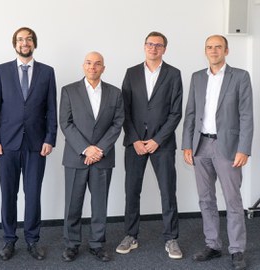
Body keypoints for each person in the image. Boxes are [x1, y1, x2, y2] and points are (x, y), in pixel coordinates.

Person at [182, 35, 253, 270]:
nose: (213, 51)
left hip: (229, 148)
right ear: (205, 51)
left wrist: (244, 148)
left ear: (227, 50)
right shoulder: (197, 77)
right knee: (206, 199)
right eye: (209, 47)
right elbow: (190, 113)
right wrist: (187, 145)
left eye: (218, 47)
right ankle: (213, 244)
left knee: (233, 200)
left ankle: (237, 250)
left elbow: (246, 115)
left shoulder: (240, 76)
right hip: (201, 146)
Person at [0, 27, 57, 261]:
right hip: (6, 145)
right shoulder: (2, 70)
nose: (24, 43)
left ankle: (32, 240)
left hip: (37, 145)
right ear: (14, 44)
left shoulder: (47, 72)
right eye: (20, 39)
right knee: (9, 193)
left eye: (28, 39)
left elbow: (51, 109)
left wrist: (50, 138)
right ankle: (9, 239)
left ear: (34, 43)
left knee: (33, 194)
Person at [116, 31, 183, 259]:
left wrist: (157, 140)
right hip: (135, 144)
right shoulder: (131, 73)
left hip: (161, 143)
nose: (153, 48)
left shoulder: (174, 74)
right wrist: (135, 139)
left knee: (168, 191)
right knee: (132, 191)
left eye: (158, 45)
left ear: (164, 49)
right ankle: (130, 235)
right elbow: (123, 110)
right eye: (149, 44)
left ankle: (171, 239)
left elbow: (176, 113)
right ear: (144, 46)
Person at [59, 52, 124, 263]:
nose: (93, 67)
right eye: (89, 63)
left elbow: (117, 123)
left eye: (97, 64)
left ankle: (97, 244)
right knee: (72, 204)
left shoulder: (115, 93)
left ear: (103, 68)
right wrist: (86, 149)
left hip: (103, 158)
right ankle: (71, 244)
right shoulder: (69, 91)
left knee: (99, 204)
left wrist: (100, 150)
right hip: (76, 156)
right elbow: (65, 123)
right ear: (83, 66)